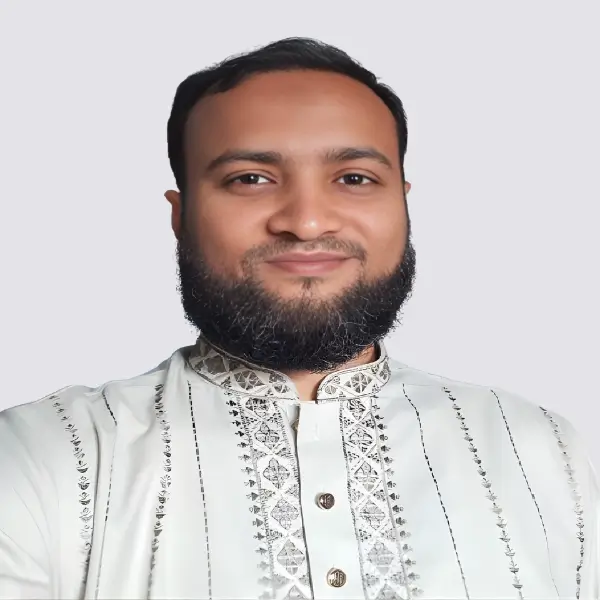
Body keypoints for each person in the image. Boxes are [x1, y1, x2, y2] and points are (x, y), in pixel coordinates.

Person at [0, 37, 597, 600]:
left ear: (403, 203)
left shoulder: (543, 450)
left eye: (355, 179)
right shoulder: (42, 456)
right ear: (180, 215)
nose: (307, 222)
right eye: (250, 179)